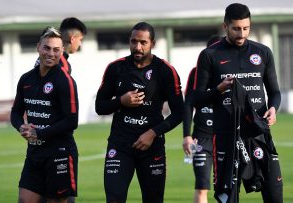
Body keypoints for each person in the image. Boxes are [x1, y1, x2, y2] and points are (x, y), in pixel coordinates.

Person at [195, 3, 283, 203]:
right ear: (225, 26)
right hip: (226, 137)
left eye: (246, 28)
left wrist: (273, 108)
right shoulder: (210, 55)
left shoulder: (263, 53)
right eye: (236, 28)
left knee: (275, 196)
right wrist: (218, 89)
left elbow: (275, 92)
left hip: (259, 134)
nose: (241, 34)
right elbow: (197, 99)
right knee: (229, 199)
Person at [95, 22, 183, 203]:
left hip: (152, 147)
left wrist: (152, 133)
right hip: (120, 145)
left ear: (153, 43)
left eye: (143, 42)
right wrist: (121, 101)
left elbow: (179, 113)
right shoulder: (116, 68)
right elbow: (100, 106)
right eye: (134, 41)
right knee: (114, 199)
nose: (138, 47)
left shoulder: (165, 71)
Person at [11, 26, 79, 203]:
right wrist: (21, 126)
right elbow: (16, 112)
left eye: (56, 50)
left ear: (62, 51)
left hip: (60, 153)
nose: (51, 53)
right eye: (47, 48)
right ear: (38, 48)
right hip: (35, 153)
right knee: (24, 200)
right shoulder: (26, 79)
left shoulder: (65, 81)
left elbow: (72, 121)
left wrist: (38, 133)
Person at [182, 35, 221, 203]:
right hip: (201, 138)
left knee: (228, 187)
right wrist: (186, 135)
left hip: (226, 137)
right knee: (201, 186)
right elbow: (188, 104)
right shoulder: (196, 73)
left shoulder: (233, 71)